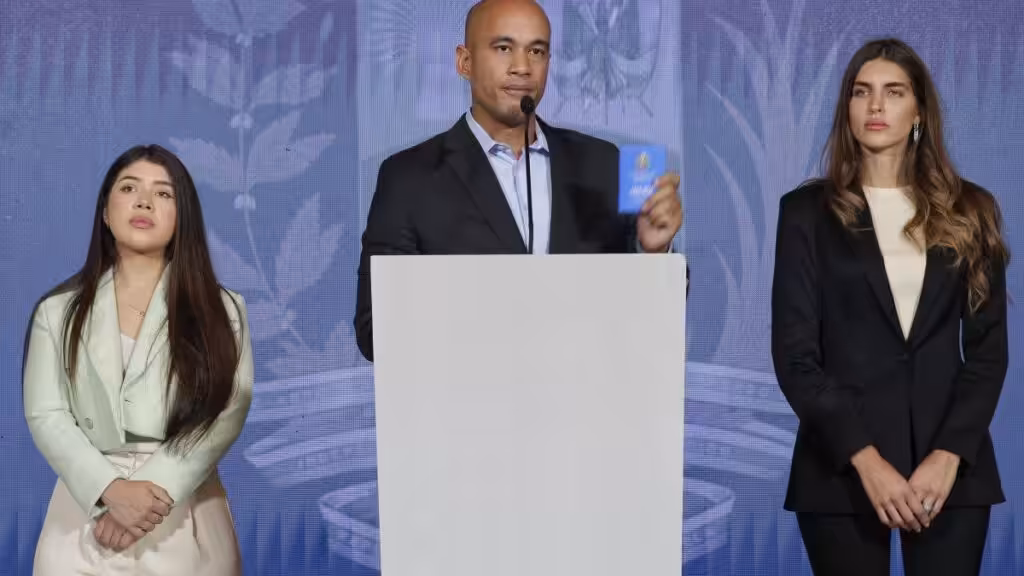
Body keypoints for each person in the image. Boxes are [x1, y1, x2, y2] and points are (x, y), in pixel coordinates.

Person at [771, 38, 1009, 576]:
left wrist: (948, 456)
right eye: (862, 92)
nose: (876, 106)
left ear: (918, 110)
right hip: (839, 469)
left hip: (949, 474)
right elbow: (796, 358)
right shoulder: (805, 213)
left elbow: (989, 353)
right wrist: (867, 461)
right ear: (847, 109)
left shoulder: (972, 209)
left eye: (893, 92)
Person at [354, 0, 685, 361]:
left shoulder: (603, 164)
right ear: (465, 62)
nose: (522, 67)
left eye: (537, 51)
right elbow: (375, 332)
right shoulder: (408, 178)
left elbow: (650, 316)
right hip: (471, 408)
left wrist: (653, 254)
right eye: (503, 48)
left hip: (588, 408)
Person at [23, 145, 253, 575]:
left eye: (164, 194)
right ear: (106, 212)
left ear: (183, 217)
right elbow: (46, 414)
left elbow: (227, 409)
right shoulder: (57, 311)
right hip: (82, 513)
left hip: (187, 509)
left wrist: (155, 492)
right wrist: (108, 490)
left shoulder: (222, 309)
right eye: (129, 188)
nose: (145, 201)